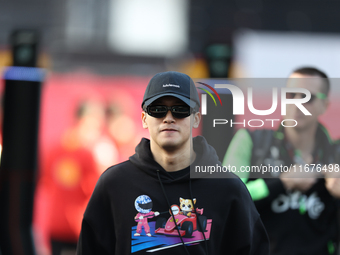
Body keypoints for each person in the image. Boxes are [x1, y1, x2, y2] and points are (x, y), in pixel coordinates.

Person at [76, 71, 269, 255]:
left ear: (196, 118)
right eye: (158, 110)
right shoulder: (114, 185)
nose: (168, 118)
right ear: (144, 118)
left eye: (180, 110)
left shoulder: (228, 188)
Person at [223, 67, 340, 255]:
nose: (296, 103)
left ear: (324, 105)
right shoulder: (251, 141)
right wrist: (281, 183)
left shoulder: (336, 152)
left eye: (307, 97)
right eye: (290, 95)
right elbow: (225, 200)